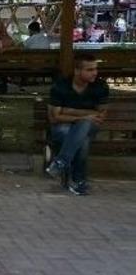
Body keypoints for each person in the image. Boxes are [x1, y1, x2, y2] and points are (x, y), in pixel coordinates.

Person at [44, 54, 109, 196]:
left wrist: (67, 111)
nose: (95, 73)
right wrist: (86, 115)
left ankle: (60, 163)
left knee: (85, 125)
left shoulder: (100, 86)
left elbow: (100, 116)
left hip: (89, 127)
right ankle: (79, 181)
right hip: (61, 127)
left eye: (95, 69)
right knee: (82, 140)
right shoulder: (61, 86)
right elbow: (55, 118)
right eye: (90, 70)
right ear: (77, 71)